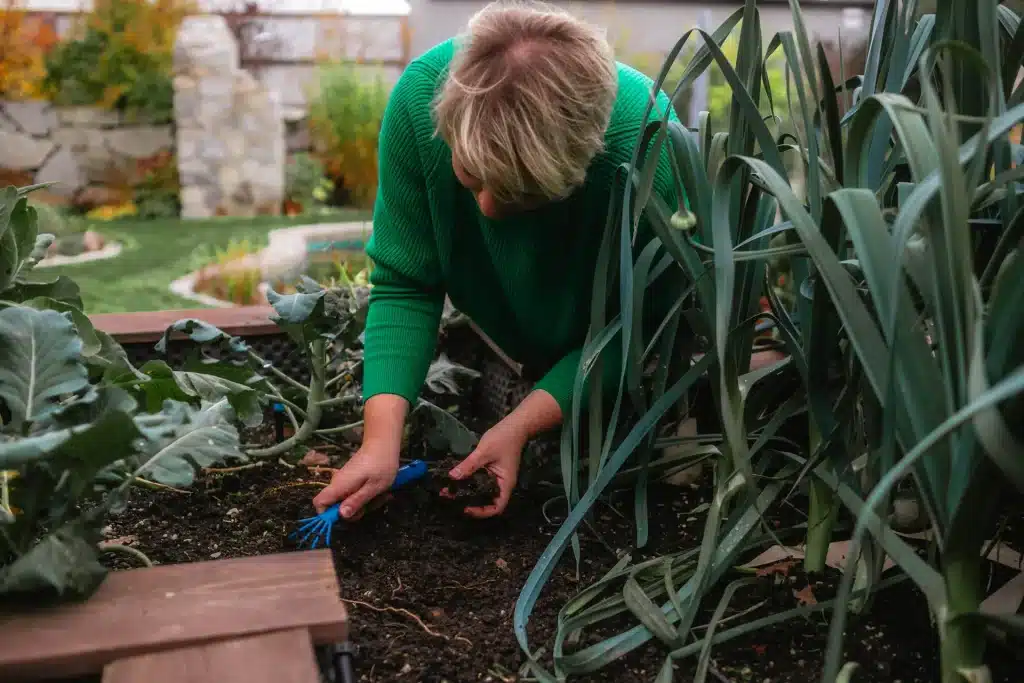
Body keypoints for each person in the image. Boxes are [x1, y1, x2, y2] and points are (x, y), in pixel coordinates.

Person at [312, 1, 683, 521]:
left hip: (619, 364)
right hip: (507, 339)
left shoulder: (649, 145)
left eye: (521, 196)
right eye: (469, 177)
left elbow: (636, 328)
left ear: (582, 164)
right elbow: (406, 285)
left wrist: (519, 425)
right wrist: (379, 445)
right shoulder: (420, 102)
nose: (486, 210)